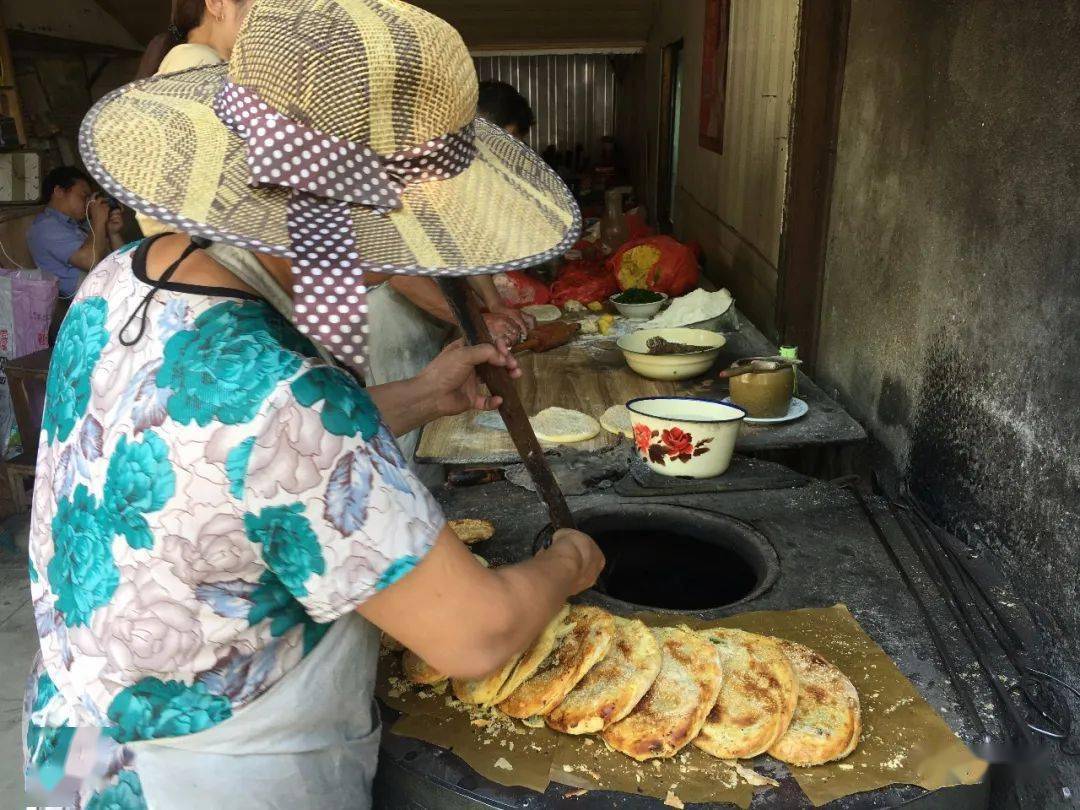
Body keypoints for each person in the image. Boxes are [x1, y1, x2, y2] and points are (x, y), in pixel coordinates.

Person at [24, 2, 596, 808]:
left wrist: (424, 394)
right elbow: (476, 633)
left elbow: (225, 460)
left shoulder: (123, 277)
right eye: (400, 235)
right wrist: (569, 564)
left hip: (71, 741)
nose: (399, 261)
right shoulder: (293, 398)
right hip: (214, 776)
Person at [27, 166, 124, 339]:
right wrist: (99, 220)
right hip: (83, 302)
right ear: (58, 191)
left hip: (106, 289)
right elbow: (90, 261)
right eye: (84, 196)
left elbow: (122, 261)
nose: (88, 203)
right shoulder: (45, 227)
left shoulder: (79, 226)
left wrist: (113, 232)